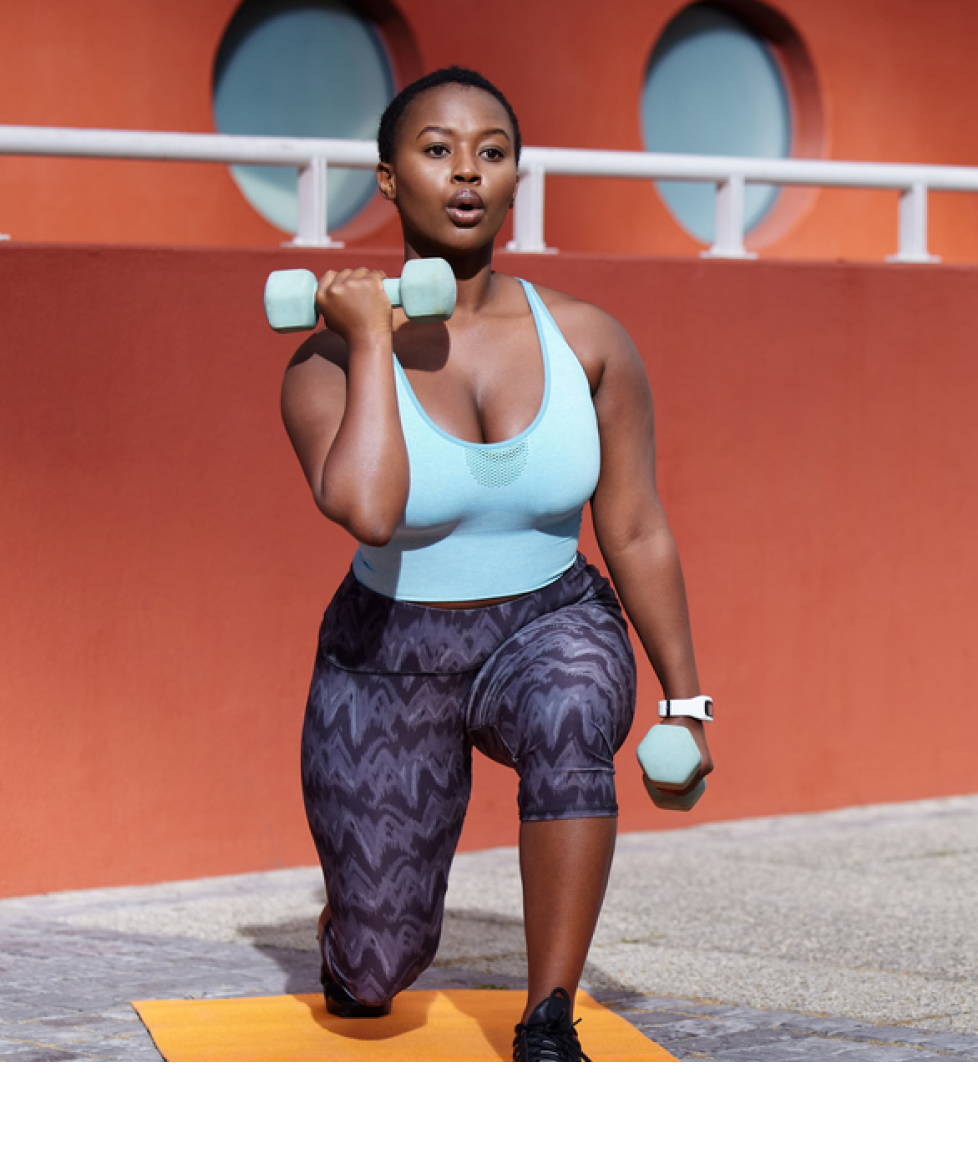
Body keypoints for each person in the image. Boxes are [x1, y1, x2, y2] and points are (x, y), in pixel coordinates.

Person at [279, 66, 714, 1062]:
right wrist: (370, 345)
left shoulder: (590, 340)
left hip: (547, 620)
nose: (467, 173)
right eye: (436, 151)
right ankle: (354, 945)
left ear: (517, 175)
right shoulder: (323, 364)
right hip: (387, 652)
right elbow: (371, 510)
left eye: (492, 151)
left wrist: (685, 701)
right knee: (375, 970)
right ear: (388, 181)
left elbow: (637, 528)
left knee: (571, 712)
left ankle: (548, 1018)